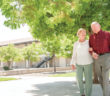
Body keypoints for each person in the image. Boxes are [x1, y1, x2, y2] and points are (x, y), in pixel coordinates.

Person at [89, 21, 110, 96]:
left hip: (106, 57)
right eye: (92, 27)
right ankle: (106, 93)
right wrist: (92, 53)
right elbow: (90, 48)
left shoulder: (107, 34)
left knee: (105, 77)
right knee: (100, 77)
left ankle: (106, 94)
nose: (94, 28)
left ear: (99, 26)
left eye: (95, 26)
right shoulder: (91, 37)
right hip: (96, 58)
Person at [70, 28, 93, 96]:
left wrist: (92, 50)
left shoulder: (89, 42)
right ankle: (82, 93)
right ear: (78, 34)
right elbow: (74, 54)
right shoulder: (76, 44)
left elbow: (93, 51)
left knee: (88, 81)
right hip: (78, 64)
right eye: (82, 33)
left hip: (88, 63)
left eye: (84, 33)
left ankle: (88, 94)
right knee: (79, 79)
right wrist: (72, 63)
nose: (84, 34)